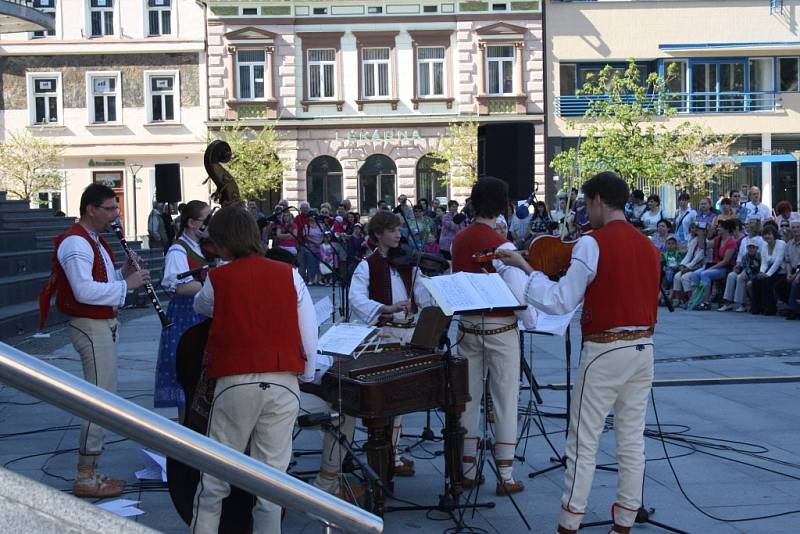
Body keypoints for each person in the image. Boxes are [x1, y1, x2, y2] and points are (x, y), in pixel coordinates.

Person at [495, 171, 661, 534]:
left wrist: (527, 269)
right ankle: (624, 523)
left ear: (599, 199)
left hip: (605, 349)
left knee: (583, 440)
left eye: (586, 204)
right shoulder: (648, 245)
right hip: (643, 347)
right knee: (632, 439)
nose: (585, 212)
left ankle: (569, 523)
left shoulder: (591, 243)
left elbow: (560, 301)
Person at [190, 206, 316, 534]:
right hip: (283, 379)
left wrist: (222, 269)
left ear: (222, 242)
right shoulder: (288, 273)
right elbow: (309, 329)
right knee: (272, 482)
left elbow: (201, 306)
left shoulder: (219, 278)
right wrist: (306, 374)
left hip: (236, 381)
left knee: (214, 479)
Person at [38, 183, 150, 497]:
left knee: (104, 397)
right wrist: (127, 284)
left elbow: (100, 281)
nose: (116, 214)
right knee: (99, 401)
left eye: (116, 208)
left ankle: (91, 471)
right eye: (110, 208)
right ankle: (85, 476)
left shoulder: (93, 241)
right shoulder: (76, 243)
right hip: (89, 326)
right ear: (91, 209)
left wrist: (122, 274)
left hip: (101, 324)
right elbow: (83, 291)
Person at [451, 176, 535, 496]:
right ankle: (506, 473)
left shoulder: (459, 240)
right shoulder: (502, 245)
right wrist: (533, 319)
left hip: (467, 328)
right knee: (504, 399)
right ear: (502, 205)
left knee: (468, 399)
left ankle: (469, 468)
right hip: (500, 329)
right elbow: (517, 294)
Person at [347, 210, 434, 477]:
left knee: (401, 400)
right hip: (385, 336)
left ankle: (393, 453)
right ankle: (388, 455)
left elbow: (421, 293)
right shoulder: (367, 265)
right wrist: (387, 307)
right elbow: (356, 300)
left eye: (399, 229)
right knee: (388, 399)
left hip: (409, 335)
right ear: (377, 235)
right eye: (392, 230)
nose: (398, 234)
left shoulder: (408, 264)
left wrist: (435, 294)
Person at [154, 200, 212, 418]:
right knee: (186, 370)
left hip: (198, 312)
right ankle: (186, 426)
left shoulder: (200, 246)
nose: (210, 224)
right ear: (191, 222)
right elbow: (178, 286)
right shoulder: (179, 249)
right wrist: (212, 284)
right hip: (185, 315)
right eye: (206, 219)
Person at [688, 219, 738, 311]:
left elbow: (726, 261)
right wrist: (700, 234)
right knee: (694, 274)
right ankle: (696, 299)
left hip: (725, 268)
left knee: (705, 274)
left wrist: (711, 268)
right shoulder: (717, 239)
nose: (717, 228)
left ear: (726, 229)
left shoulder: (731, 242)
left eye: (720, 227)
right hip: (715, 265)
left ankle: (706, 302)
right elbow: (703, 246)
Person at [718, 237, 761, 313]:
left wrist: (746, 273)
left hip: (756, 276)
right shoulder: (745, 257)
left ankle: (742, 304)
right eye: (749, 247)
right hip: (747, 273)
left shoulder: (760, 257)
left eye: (753, 247)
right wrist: (741, 269)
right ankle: (728, 302)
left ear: (757, 248)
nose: (751, 249)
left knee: (740, 278)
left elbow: (758, 270)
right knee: (731, 275)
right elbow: (745, 267)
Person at [751, 226, 786, 315]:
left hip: (781, 271)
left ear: (774, 234)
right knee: (756, 280)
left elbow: (778, 262)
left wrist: (767, 274)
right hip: (769, 270)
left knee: (767, 280)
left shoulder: (781, 243)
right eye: (765, 234)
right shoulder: (764, 246)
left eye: (769, 234)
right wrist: (762, 272)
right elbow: (764, 263)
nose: (767, 236)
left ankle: (770, 309)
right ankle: (757, 307)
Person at [672, 223, 707, 307]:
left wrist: (688, 268)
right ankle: (677, 299)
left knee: (685, 277)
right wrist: (682, 265)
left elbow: (698, 259)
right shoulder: (694, 240)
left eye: (698, 230)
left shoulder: (707, 242)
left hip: (699, 266)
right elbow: (689, 255)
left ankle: (691, 299)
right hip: (690, 265)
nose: (695, 231)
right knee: (677, 276)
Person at [776, 220, 800, 320]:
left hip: (799, 271)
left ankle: (793, 310)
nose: (795, 229)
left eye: (798, 227)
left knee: (795, 283)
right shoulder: (789, 244)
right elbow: (788, 261)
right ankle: (794, 307)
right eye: (793, 227)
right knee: (779, 286)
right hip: (794, 270)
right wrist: (789, 274)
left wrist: (796, 275)